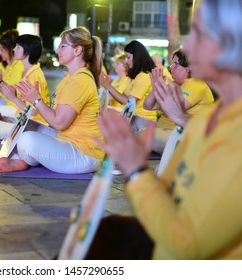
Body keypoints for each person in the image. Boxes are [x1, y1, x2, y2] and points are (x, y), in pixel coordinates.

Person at [85, 0, 242, 260]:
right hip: (166, 241)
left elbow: (186, 247)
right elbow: (166, 190)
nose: (188, 47)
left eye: (199, 35)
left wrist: (136, 170)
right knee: (98, 233)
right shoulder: (208, 119)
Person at [0, 26, 105, 174]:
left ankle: (22, 160)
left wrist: (36, 100)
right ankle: (21, 160)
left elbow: (59, 122)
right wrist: (32, 100)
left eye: (62, 46)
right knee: (26, 126)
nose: (57, 51)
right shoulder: (70, 79)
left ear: (77, 50)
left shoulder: (80, 81)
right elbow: (54, 117)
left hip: (84, 153)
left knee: (27, 140)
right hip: (66, 139)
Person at [144, 49, 214, 153]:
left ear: (189, 67)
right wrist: (156, 87)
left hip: (183, 137)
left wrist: (160, 88)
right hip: (170, 133)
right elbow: (148, 106)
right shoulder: (175, 84)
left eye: (176, 64)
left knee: (140, 135)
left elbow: (173, 108)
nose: (171, 67)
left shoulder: (196, 83)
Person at [0, 34, 50, 140]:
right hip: (22, 119)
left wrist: (13, 98)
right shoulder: (28, 71)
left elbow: (33, 111)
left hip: (33, 125)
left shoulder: (35, 76)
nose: (14, 49)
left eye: (18, 47)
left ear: (27, 51)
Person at [100, 40, 157, 121]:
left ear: (137, 57)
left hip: (143, 120)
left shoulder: (144, 76)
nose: (126, 61)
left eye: (128, 57)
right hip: (132, 117)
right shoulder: (133, 76)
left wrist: (108, 86)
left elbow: (129, 102)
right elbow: (123, 98)